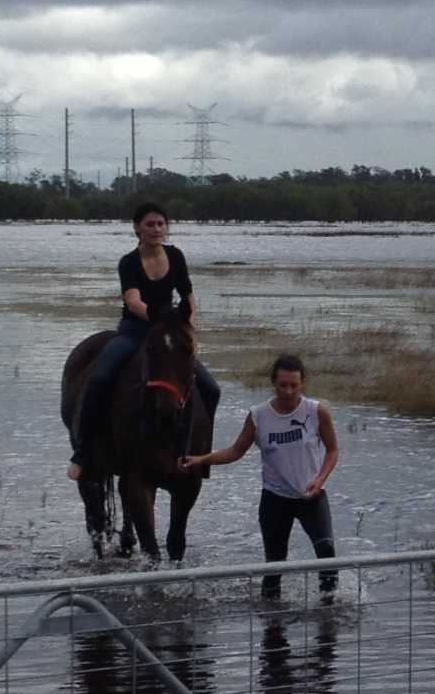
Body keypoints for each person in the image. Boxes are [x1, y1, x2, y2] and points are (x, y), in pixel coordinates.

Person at [70, 200, 220, 478]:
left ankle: (201, 457)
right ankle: (82, 452)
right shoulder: (128, 262)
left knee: (211, 388)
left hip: (169, 332)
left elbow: (187, 294)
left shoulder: (176, 256)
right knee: (100, 378)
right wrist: (158, 318)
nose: (156, 229)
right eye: (149, 224)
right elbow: (133, 300)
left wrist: (189, 329)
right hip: (135, 330)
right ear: (137, 228)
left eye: (161, 224)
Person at [184, 352, 342, 596]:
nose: (288, 391)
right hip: (275, 499)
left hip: (311, 497)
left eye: (294, 386)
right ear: (273, 383)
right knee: (274, 565)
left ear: (302, 384)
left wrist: (320, 479)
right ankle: (272, 624)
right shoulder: (259, 415)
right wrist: (202, 459)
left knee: (327, 554)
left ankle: (329, 613)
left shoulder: (316, 411)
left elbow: (332, 451)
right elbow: (236, 450)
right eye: (282, 385)